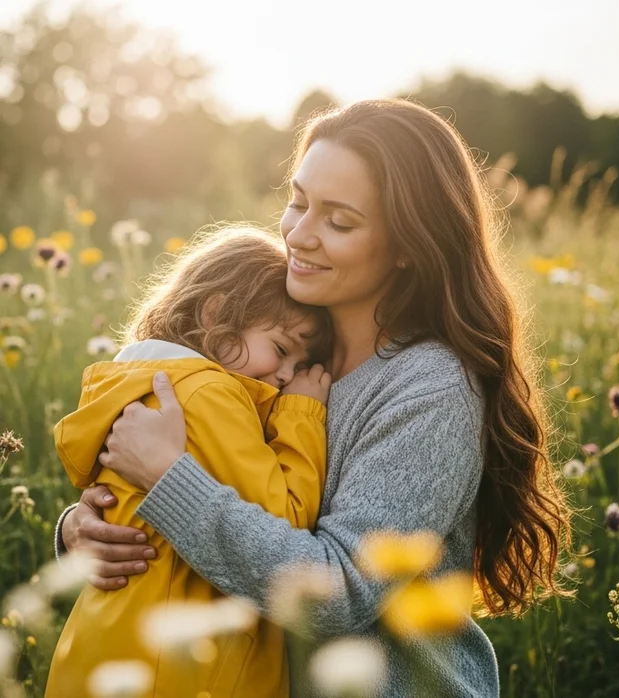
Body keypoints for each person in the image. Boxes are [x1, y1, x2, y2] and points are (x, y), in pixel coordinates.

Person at [54, 99, 570, 697]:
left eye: (339, 221)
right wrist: (88, 529)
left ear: (408, 244)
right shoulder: (274, 354)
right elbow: (224, 505)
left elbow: (339, 591)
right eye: (298, 201)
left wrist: (168, 481)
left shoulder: (428, 388)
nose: (298, 234)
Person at [46, 228, 333, 697]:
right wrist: (302, 414)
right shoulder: (208, 394)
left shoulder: (141, 381)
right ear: (215, 313)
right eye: (282, 349)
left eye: (300, 364)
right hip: (184, 668)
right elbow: (288, 520)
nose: (286, 376)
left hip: (106, 645)